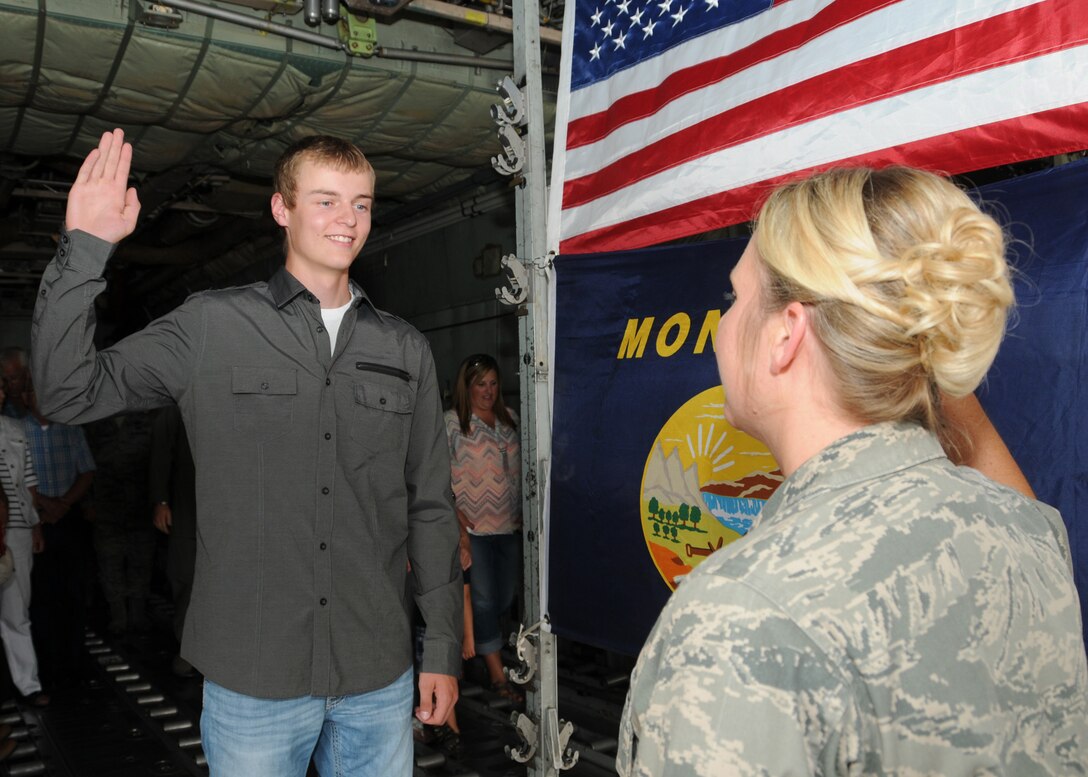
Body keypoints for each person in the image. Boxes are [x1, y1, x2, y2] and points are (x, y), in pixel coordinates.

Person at [617, 167, 1087, 775]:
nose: (723, 327)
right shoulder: (1028, 535)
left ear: (785, 334)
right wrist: (912, 341)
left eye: (735, 299)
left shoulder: (740, 618)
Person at [31, 128, 461, 776]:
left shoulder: (405, 352)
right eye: (325, 200)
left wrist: (443, 650)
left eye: (361, 203)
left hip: (376, 673)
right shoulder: (211, 326)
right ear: (281, 209)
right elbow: (65, 392)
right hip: (253, 681)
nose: (347, 219)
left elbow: (430, 506)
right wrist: (85, 249)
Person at [444, 354, 522, 703]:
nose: (488, 391)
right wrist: (456, 524)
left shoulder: (511, 419)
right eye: (481, 384)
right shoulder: (452, 424)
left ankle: (489, 652)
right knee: (486, 600)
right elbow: (436, 478)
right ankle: (496, 674)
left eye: (493, 383)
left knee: (506, 597)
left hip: (510, 525)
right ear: (468, 387)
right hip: (473, 528)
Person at [23, 381, 94, 694]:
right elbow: (17, 478)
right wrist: (44, 504)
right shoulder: (17, 430)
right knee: (42, 597)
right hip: (35, 522)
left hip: (67, 518)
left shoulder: (71, 427)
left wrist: (63, 503)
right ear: (27, 397)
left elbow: (88, 471)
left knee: (74, 593)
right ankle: (47, 669)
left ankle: (75, 665)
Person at [0, 385, 49, 709]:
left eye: (1, 388)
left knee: (17, 612)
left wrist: (35, 524)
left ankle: (28, 684)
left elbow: (29, 480)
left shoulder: (14, 429)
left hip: (16, 529)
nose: (2, 393)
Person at [148, 404, 197, 677]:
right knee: (185, 579)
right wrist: (160, 500)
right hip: (187, 512)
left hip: (226, 514)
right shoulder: (178, 403)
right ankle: (187, 649)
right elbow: (160, 452)